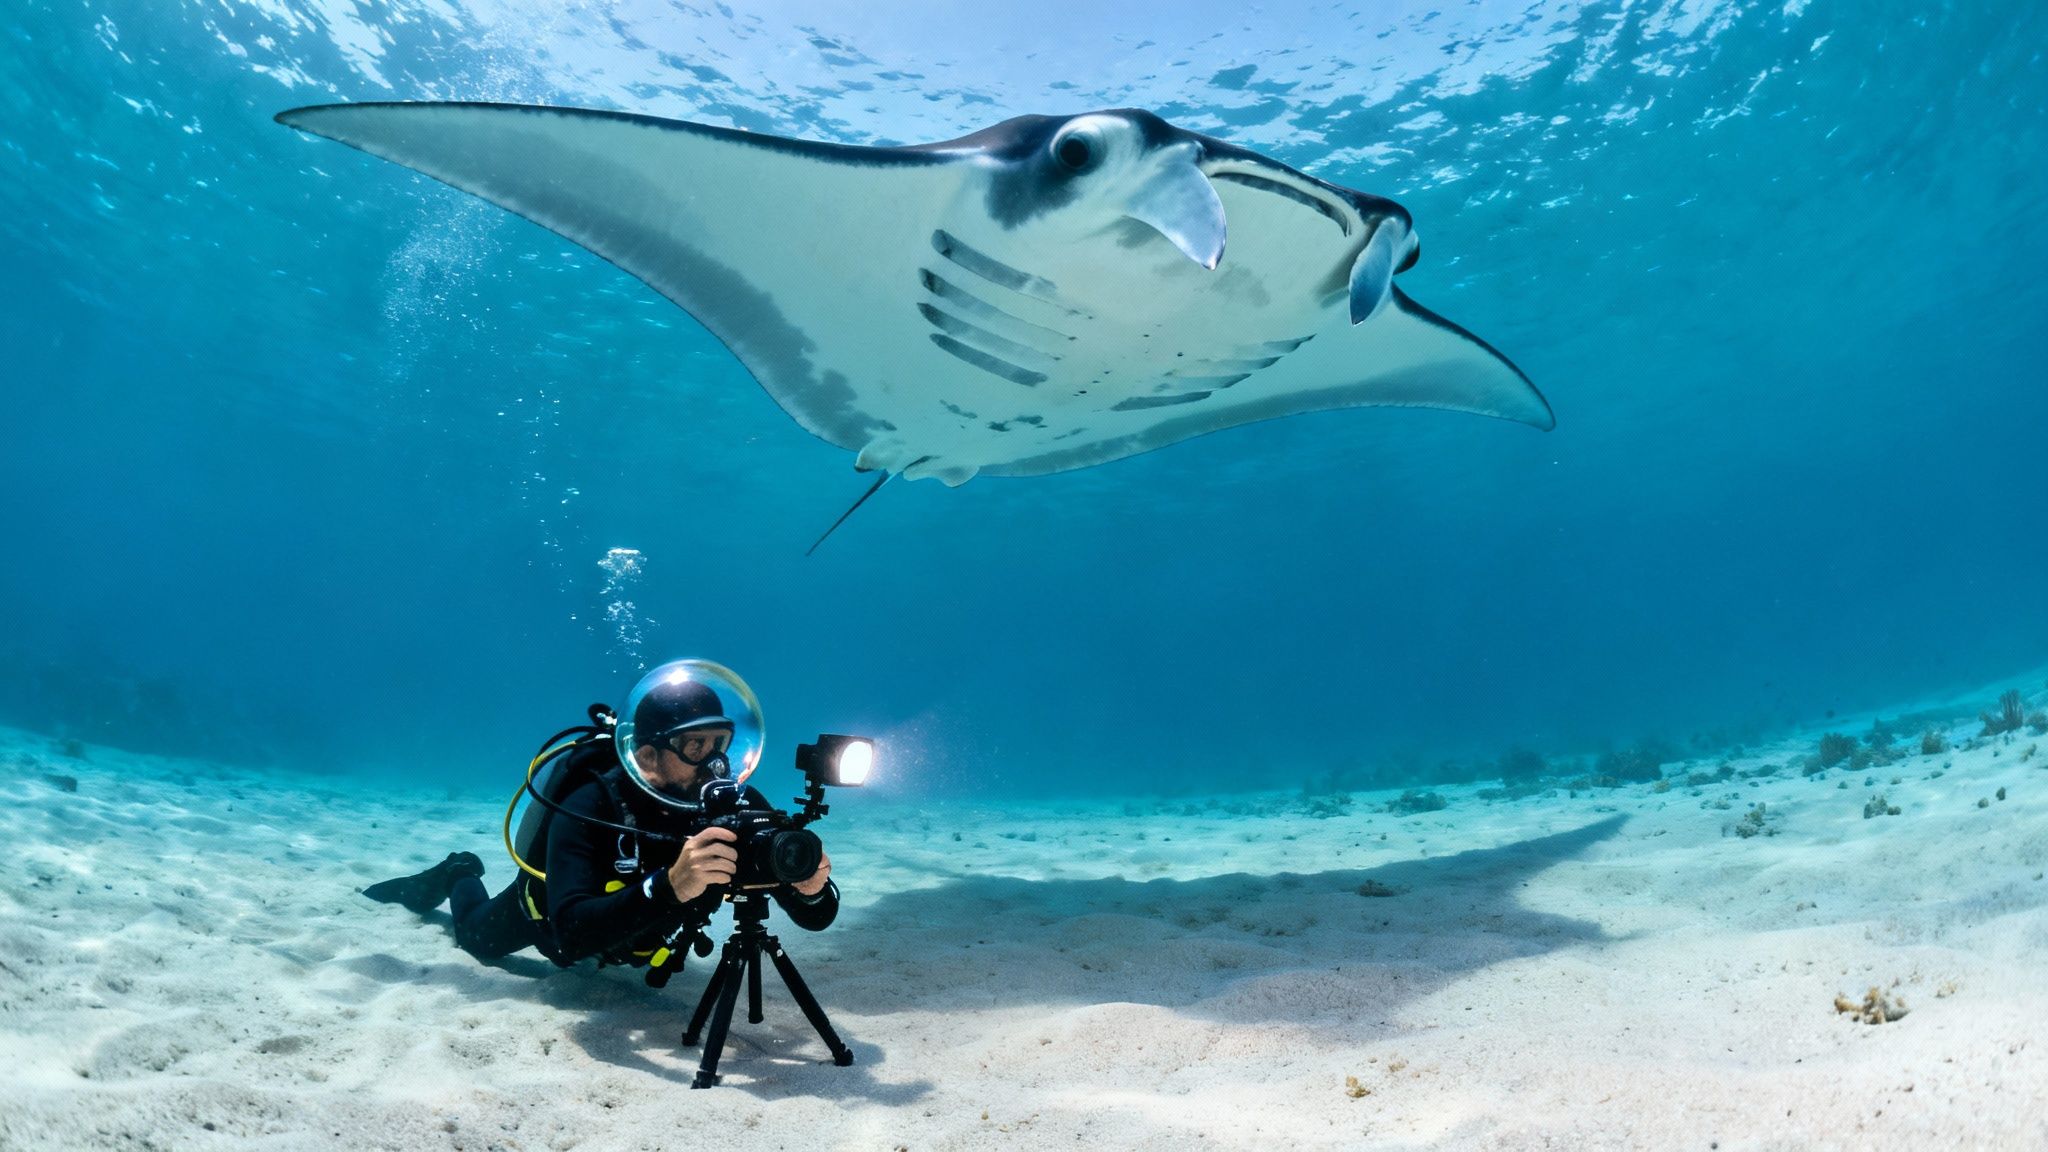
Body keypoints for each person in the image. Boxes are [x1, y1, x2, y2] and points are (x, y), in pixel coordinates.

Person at [363, 663, 838, 968]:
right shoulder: (592, 805)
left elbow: (816, 917)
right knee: (476, 940)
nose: (716, 763)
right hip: (549, 915)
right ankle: (460, 870)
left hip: (640, 936)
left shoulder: (736, 805)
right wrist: (670, 886)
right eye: (696, 746)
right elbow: (570, 939)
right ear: (650, 755)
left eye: (721, 744)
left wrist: (811, 889)